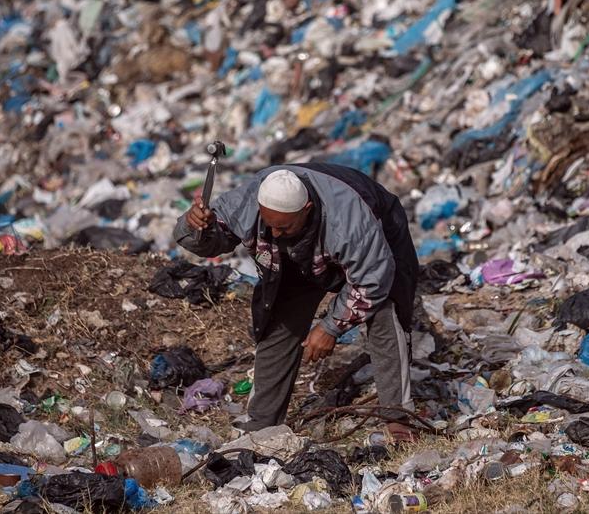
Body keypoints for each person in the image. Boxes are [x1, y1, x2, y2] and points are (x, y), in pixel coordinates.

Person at [173, 163, 419, 441]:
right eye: (270, 225)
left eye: (284, 226)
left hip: (378, 243)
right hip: (302, 256)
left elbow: (371, 281)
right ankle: (263, 420)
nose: (275, 233)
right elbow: (210, 242)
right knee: (278, 316)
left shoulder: (350, 223)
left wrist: (330, 327)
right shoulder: (247, 202)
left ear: (307, 209)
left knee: (385, 311)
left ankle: (398, 417)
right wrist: (195, 227)